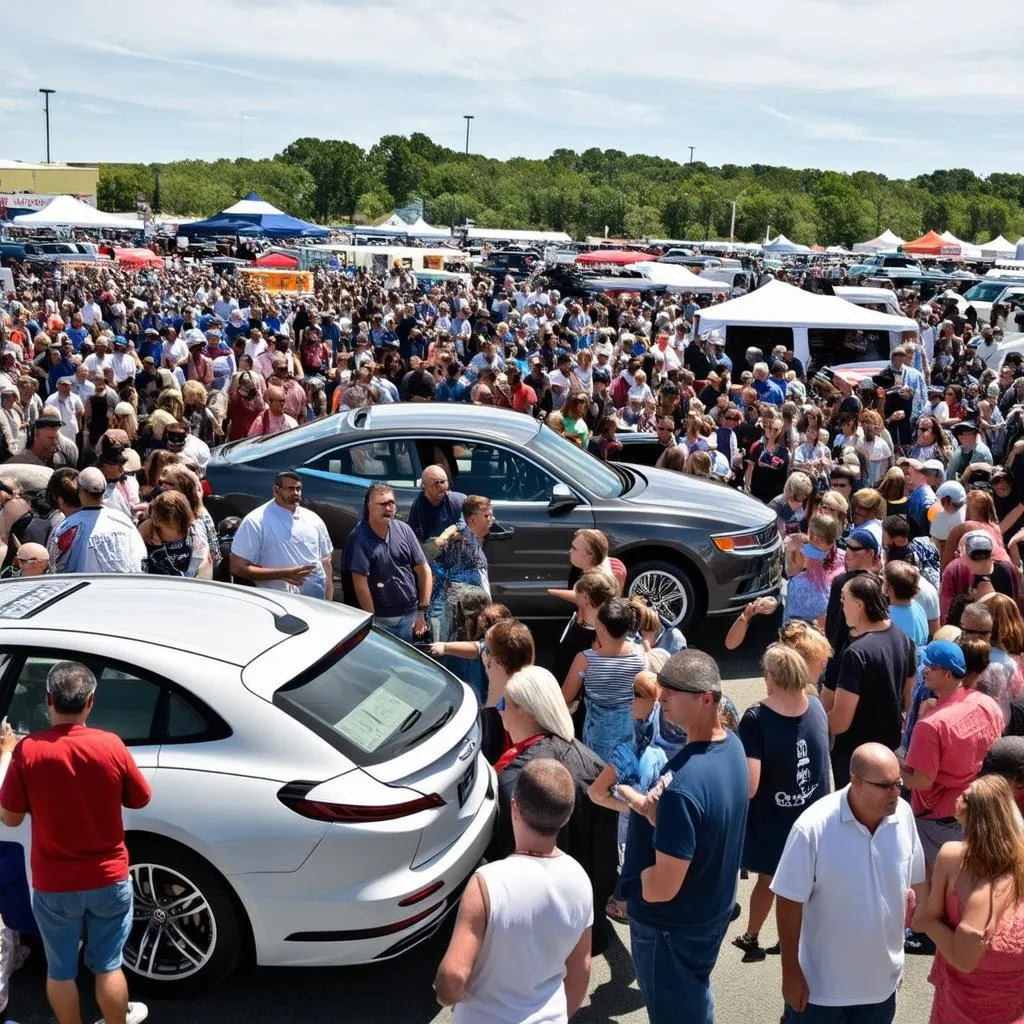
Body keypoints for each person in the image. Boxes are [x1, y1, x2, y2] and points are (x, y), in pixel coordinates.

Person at [0, 661, 151, 1024]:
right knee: (109, 965)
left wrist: (8, 752)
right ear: (91, 702)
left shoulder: (30, 751)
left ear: (48, 699)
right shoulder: (111, 744)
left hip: (55, 885)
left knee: (60, 970)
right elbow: (140, 798)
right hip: (108, 879)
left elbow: (10, 817)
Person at [620, 649, 749, 1024]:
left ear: (706, 699)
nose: (662, 702)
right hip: (709, 909)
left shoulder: (684, 786)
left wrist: (632, 879)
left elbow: (662, 887)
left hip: (670, 929)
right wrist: (657, 815)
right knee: (693, 999)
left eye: (671, 694)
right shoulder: (733, 748)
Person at [771, 743, 926, 1024]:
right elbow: (788, 901)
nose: (896, 794)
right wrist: (790, 970)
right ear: (855, 780)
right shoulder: (812, 829)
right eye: (885, 786)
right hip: (820, 992)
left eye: (898, 784)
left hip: (880, 989)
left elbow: (916, 884)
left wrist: (897, 959)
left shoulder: (903, 815)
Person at [434, 759, 593, 1024]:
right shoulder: (580, 880)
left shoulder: (487, 883)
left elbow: (452, 977)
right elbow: (582, 968)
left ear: (514, 807)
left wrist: (444, 995)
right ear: (567, 815)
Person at [486, 666, 617, 953]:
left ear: (528, 711)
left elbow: (509, 859)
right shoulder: (592, 763)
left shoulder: (518, 780)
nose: (498, 709)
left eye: (504, 703)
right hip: (581, 913)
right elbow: (606, 853)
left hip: (537, 925)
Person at [732, 644, 831, 963]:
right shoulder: (815, 705)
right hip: (811, 817)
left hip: (773, 822)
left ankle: (752, 936)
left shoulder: (755, 718)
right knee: (804, 883)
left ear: (771, 677)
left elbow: (750, 785)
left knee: (768, 880)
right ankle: (797, 939)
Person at [912, 774, 1024, 1024]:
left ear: (963, 809)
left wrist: (923, 922)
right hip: (1012, 999)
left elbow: (960, 956)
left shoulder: (951, 857)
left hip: (961, 996)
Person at [900, 639, 1004, 869]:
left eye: (931, 666)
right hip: (980, 811)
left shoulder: (931, 725)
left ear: (948, 675)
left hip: (938, 822)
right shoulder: (988, 704)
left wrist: (896, 770)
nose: (924, 670)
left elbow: (922, 781)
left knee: (934, 888)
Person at [823, 573, 915, 788]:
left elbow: (839, 722)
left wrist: (814, 721)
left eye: (844, 600)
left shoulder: (856, 653)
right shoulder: (903, 638)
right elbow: (908, 697)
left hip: (857, 759)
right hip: (890, 750)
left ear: (859, 605)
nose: (841, 606)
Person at [343, 482, 431, 642]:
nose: (389, 508)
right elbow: (360, 584)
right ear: (370, 506)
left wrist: (422, 611)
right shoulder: (358, 538)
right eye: (383, 504)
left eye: (392, 503)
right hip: (380, 621)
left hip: (409, 617)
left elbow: (424, 570)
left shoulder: (404, 530)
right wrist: (371, 622)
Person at [562, 597, 647, 762]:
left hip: (597, 738)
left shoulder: (584, 660)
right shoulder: (641, 656)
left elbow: (566, 696)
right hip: (630, 735)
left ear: (599, 628)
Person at [229, 470, 333, 599]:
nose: (296, 493)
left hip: (317, 602)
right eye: (290, 489)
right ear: (276, 490)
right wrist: (282, 574)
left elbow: (325, 562)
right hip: (279, 603)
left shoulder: (313, 519)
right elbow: (237, 567)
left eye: (298, 489)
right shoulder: (256, 521)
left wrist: (329, 601)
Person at [47, 468, 147, 575]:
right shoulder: (123, 520)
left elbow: (53, 568)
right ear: (104, 492)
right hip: (126, 587)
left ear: (80, 490)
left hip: (86, 589)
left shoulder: (67, 527)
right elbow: (141, 558)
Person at [407, 464, 465, 548]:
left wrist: (451, 535)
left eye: (443, 482)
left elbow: (468, 526)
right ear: (424, 485)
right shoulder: (418, 505)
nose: (441, 486)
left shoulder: (459, 501)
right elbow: (412, 534)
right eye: (436, 483)